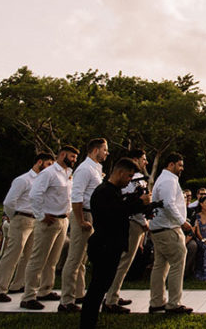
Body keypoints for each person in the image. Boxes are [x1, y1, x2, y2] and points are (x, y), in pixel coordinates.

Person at [80, 158, 151, 329]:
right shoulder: (103, 192)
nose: (129, 180)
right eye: (128, 176)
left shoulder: (114, 191)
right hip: (104, 245)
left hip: (112, 245)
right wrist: (139, 202)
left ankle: (92, 320)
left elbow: (121, 208)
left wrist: (138, 203)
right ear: (119, 173)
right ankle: (87, 323)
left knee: (102, 286)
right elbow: (114, 212)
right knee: (97, 288)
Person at [20, 145, 79, 310]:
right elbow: (35, 194)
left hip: (62, 220)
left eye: (75, 158)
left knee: (53, 260)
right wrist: (41, 215)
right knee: (38, 259)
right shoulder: (48, 173)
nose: (74, 160)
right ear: (62, 155)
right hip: (49, 221)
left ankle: (45, 290)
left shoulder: (67, 174)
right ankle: (28, 296)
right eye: (72, 157)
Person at [0, 153, 55, 302]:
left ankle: (18, 284)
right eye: (49, 164)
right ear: (39, 162)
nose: (51, 168)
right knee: (12, 255)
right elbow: (8, 202)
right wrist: (15, 217)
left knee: (29, 256)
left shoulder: (43, 182)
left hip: (36, 220)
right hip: (21, 219)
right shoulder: (23, 180)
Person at [60, 138, 108, 313]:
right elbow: (77, 196)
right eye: (105, 149)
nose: (107, 153)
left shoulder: (96, 168)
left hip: (93, 214)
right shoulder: (84, 169)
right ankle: (66, 300)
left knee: (83, 258)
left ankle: (79, 293)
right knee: (74, 258)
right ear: (95, 150)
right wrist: (80, 220)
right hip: (84, 214)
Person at [103, 148, 150, 313]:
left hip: (135, 222)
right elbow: (133, 203)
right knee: (123, 262)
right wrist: (143, 222)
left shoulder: (137, 178)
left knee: (124, 262)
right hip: (132, 222)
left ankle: (113, 293)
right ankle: (110, 299)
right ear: (135, 159)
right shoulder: (132, 179)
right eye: (144, 159)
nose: (146, 162)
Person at [148, 153, 193, 314]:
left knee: (160, 266)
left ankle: (157, 302)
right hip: (167, 229)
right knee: (177, 262)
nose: (182, 168)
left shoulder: (164, 178)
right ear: (171, 164)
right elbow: (168, 204)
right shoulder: (168, 180)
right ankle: (174, 303)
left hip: (159, 228)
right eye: (179, 165)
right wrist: (183, 221)